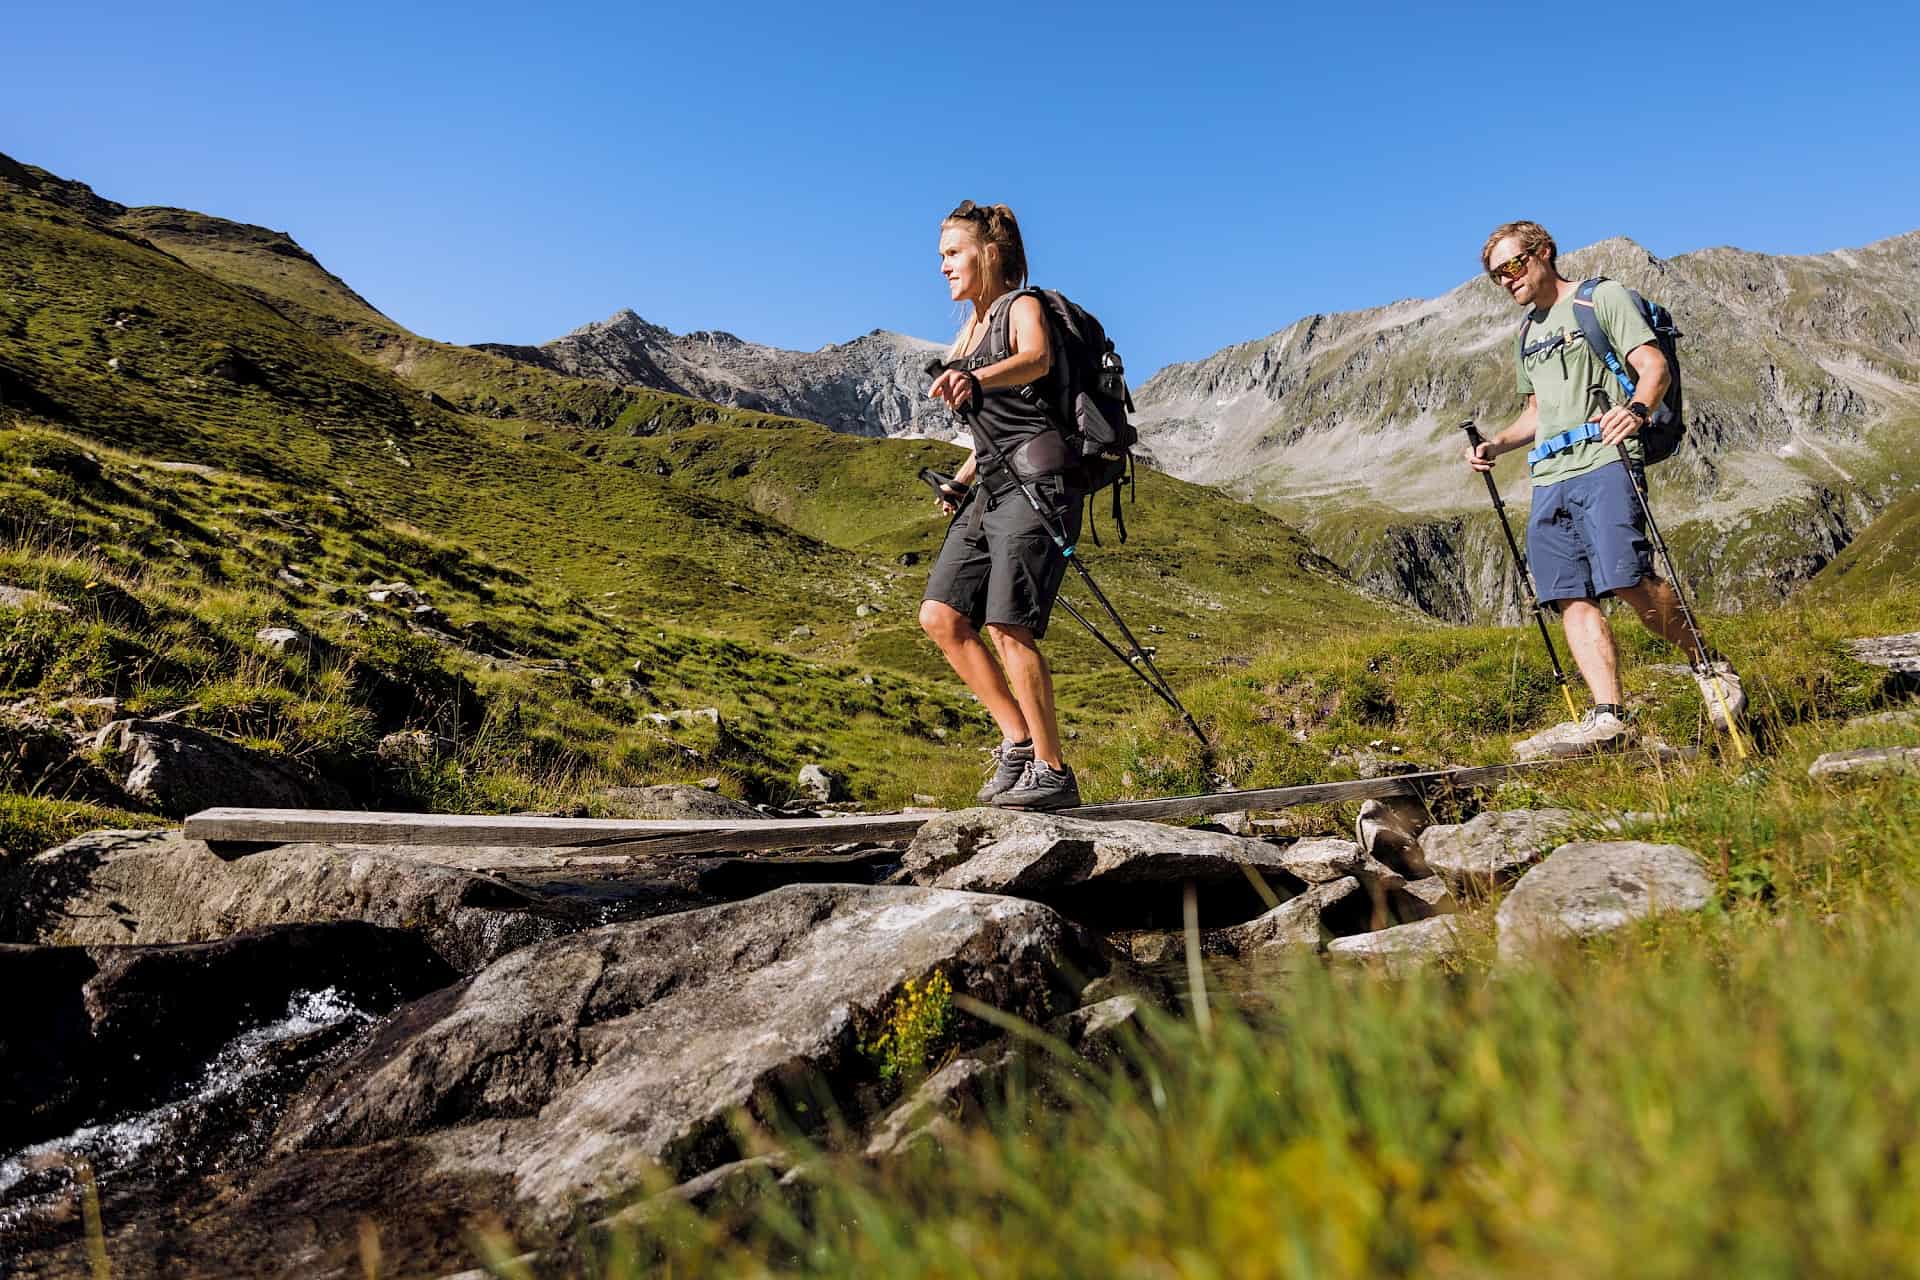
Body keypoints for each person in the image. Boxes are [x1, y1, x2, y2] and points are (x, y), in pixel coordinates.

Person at [1466, 220, 1745, 748]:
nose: (1507, 280)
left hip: (1606, 459)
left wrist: (1636, 411)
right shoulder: (1527, 333)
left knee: (1627, 578)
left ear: (1544, 253)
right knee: (1569, 594)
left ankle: (1709, 665)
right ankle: (1608, 715)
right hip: (1549, 474)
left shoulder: (1601, 299)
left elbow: (1652, 365)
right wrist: (1497, 445)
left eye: (1513, 265)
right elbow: (1537, 412)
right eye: (1496, 275)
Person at [918, 200, 1083, 809]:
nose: (943, 267)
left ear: (987, 254)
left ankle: (1052, 770)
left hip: (1037, 483)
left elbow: (1036, 360)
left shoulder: (1022, 307)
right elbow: (993, 429)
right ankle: (1016, 743)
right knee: (941, 616)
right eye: (941, 256)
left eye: (953, 253)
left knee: (1007, 622)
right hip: (990, 482)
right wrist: (961, 480)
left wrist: (977, 379)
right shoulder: (968, 330)